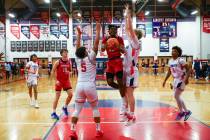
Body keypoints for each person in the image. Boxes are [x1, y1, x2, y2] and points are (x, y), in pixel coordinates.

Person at [70, 23, 103, 138]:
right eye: (85, 49)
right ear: (85, 52)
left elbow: (77, 47)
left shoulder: (77, 59)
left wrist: (78, 35)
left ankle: (73, 130)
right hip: (90, 86)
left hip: (79, 86)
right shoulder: (91, 57)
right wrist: (98, 31)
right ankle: (98, 130)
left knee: (77, 110)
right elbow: (96, 43)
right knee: (95, 108)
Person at [122, 5, 143, 125]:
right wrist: (126, 17)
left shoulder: (136, 42)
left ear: (136, 35)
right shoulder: (130, 41)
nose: (130, 33)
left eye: (133, 33)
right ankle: (128, 113)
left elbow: (129, 28)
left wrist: (127, 14)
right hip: (126, 70)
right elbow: (127, 28)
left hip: (131, 71)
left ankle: (132, 116)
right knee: (126, 93)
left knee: (129, 93)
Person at [101, 24, 127, 118]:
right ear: (109, 30)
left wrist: (116, 44)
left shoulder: (120, 39)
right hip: (110, 62)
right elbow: (102, 49)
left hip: (117, 61)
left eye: (115, 29)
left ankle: (124, 101)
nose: (114, 31)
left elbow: (123, 50)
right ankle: (122, 89)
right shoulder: (105, 38)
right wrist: (106, 44)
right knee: (110, 82)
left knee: (120, 81)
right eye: (112, 29)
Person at [163, 46, 192, 121]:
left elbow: (189, 70)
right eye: (172, 51)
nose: (173, 52)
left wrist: (186, 79)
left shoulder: (181, 60)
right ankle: (185, 111)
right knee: (177, 96)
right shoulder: (170, 61)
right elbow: (169, 72)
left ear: (178, 53)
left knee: (176, 96)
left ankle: (183, 112)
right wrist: (165, 80)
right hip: (175, 79)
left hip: (181, 79)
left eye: (175, 51)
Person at [51, 49, 73, 120]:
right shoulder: (58, 62)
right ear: (61, 54)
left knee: (70, 95)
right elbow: (52, 71)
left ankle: (65, 107)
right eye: (64, 52)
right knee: (57, 97)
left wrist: (70, 73)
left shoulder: (69, 62)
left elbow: (71, 71)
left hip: (66, 81)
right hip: (59, 81)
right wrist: (56, 80)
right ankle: (53, 113)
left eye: (67, 52)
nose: (66, 53)